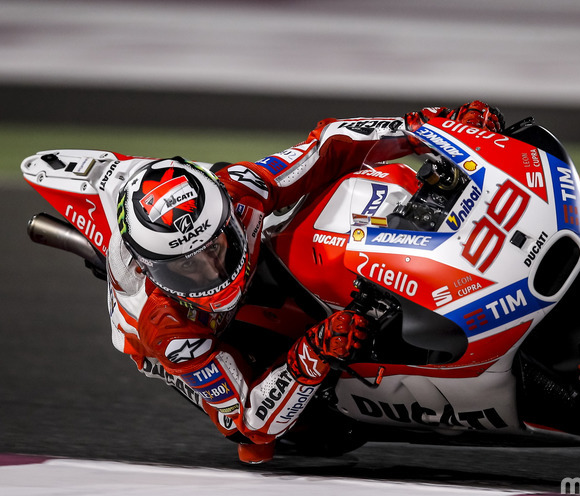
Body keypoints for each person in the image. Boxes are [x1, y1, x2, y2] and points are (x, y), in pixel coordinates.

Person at [108, 101, 505, 464]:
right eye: (186, 267)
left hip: (250, 258)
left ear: (226, 217)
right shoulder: (169, 329)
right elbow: (251, 426)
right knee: (319, 434)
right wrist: (312, 354)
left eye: (216, 246)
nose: (211, 269)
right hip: (199, 339)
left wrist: (438, 130)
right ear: (152, 270)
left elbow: (327, 145)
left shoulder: (240, 189)